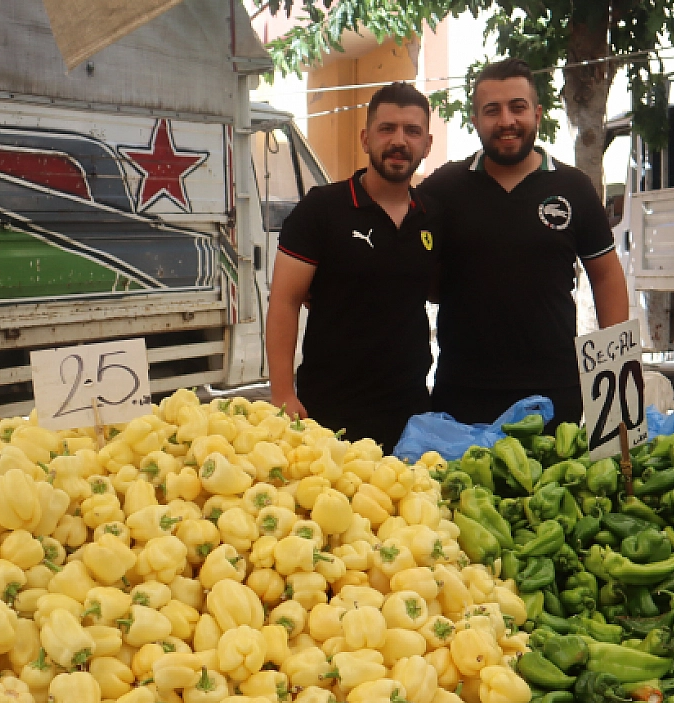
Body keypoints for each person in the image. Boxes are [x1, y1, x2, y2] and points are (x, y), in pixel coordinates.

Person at [420, 58, 628, 427]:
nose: (506, 121)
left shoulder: (573, 187)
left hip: (554, 395)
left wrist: (617, 373)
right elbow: (397, 257)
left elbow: (607, 277)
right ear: (475, 120)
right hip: (461, 396)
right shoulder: (442, 188)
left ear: (537, 113)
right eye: (491, 110)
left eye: (518, 107)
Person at [266, 82, 440, 452]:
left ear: (427, 144)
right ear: (365, 139)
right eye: (387, 128)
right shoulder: (322, 209)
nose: (399, 141)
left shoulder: (432, 217)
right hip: (329, 414)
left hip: (411, 414)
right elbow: (284, 300)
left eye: (412, 131)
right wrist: (282, 393)